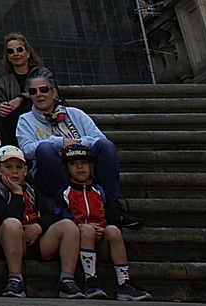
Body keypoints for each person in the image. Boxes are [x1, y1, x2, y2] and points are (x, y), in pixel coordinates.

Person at [17, 77, 141, 227]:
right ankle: (68, 204)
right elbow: (26, 150)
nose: (39, 94)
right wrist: (59, 142)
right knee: (44, 149)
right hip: (50, 173)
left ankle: (113, 207)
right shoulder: (25, 120)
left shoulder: (75, 114)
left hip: (83, 167)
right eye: (33, 91)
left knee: (106, 146)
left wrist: (78, 144)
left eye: (43, 90)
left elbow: (99, 138)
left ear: (54, 93)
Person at [0, 144, 80, 299]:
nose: (14, 171)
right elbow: (9, 216)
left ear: (26, 170)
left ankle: (67, 279)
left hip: (34, 239)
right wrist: (16, 193)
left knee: (68, 226)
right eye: (8, 167)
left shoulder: (31, 189)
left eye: (19, 167)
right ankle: (15, 278)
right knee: (12, 224)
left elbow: (51, 214)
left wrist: (38, 227)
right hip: (8, 242)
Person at [59, 146, 152, 300]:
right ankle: (91, 280)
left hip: (102, 242)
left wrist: (103, 229)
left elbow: (113, 217)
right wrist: (79, 225)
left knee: (114, 230)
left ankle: (124, 282)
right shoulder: (65, 193)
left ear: (92, 167)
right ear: (67, 169)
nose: (80, 167)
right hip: (79, 241)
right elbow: (61, 216)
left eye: (84, 163)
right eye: (74, 164)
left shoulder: (100, 192)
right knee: (87, 230)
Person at [0, 33, 53, 146]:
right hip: (14, 126)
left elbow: (51, 93)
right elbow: (0, 102)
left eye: (20, 50)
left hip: (44, 119)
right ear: (8, 57)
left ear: (28, 53)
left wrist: (21, 98)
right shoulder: (3, 82)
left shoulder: (43, 73)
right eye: (11, 51)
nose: (16, 54)